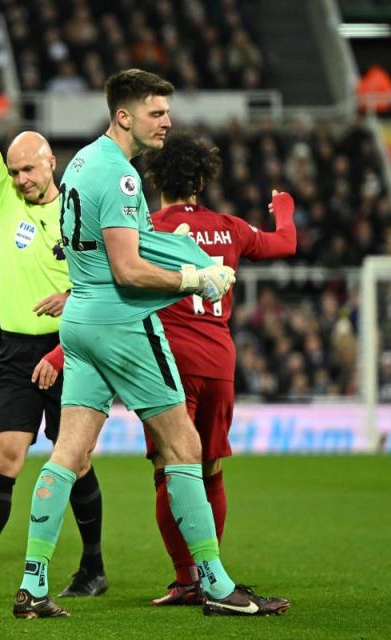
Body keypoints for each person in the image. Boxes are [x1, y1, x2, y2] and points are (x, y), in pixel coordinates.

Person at [12, 69, 289, 619]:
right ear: (124, 115)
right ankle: (214, 583)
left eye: (167, 112)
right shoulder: (120, 176)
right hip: (122, 324)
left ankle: (32, 587)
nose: (167, 122)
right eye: (156, 113)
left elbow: (116, 248)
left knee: (69, 453)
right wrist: (193, 278)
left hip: (81, 322)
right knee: (185, 450)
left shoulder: (83, 162)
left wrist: (179, 250)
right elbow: (128, 267)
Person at [0, 35, 108, 603]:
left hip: (73, 348)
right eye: (13, 171)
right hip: (11, 351)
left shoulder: (79, 204)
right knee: (5, 452)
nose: (20, 178)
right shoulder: (5, 199)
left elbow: (106, 275)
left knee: (74, 459)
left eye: (29, 169)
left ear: (51, 161)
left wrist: (72, 297)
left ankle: (93, 565)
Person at [145, 132, 297, 605]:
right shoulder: (230, 227)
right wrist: (285, 208)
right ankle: (212, 575)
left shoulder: (148, 228)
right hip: (220, 361)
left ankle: (186, 578)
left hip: (170, 362)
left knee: (169, 469)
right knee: (209, 468)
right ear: (202, 180)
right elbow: (285, 244)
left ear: (157, 176)